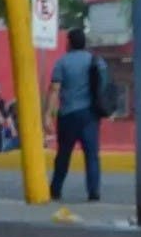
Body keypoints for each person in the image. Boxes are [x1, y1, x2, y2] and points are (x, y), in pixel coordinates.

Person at [44, 28, 107, 201]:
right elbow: (104, 85)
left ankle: (56, 189)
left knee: (63, 154)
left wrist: (48, 115)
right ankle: (93, 192)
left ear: (69, 42)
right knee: (92, 155)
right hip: (90, 115)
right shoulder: (97, 61)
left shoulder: (62, 62)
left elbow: (55, 89)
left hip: (68, 115)